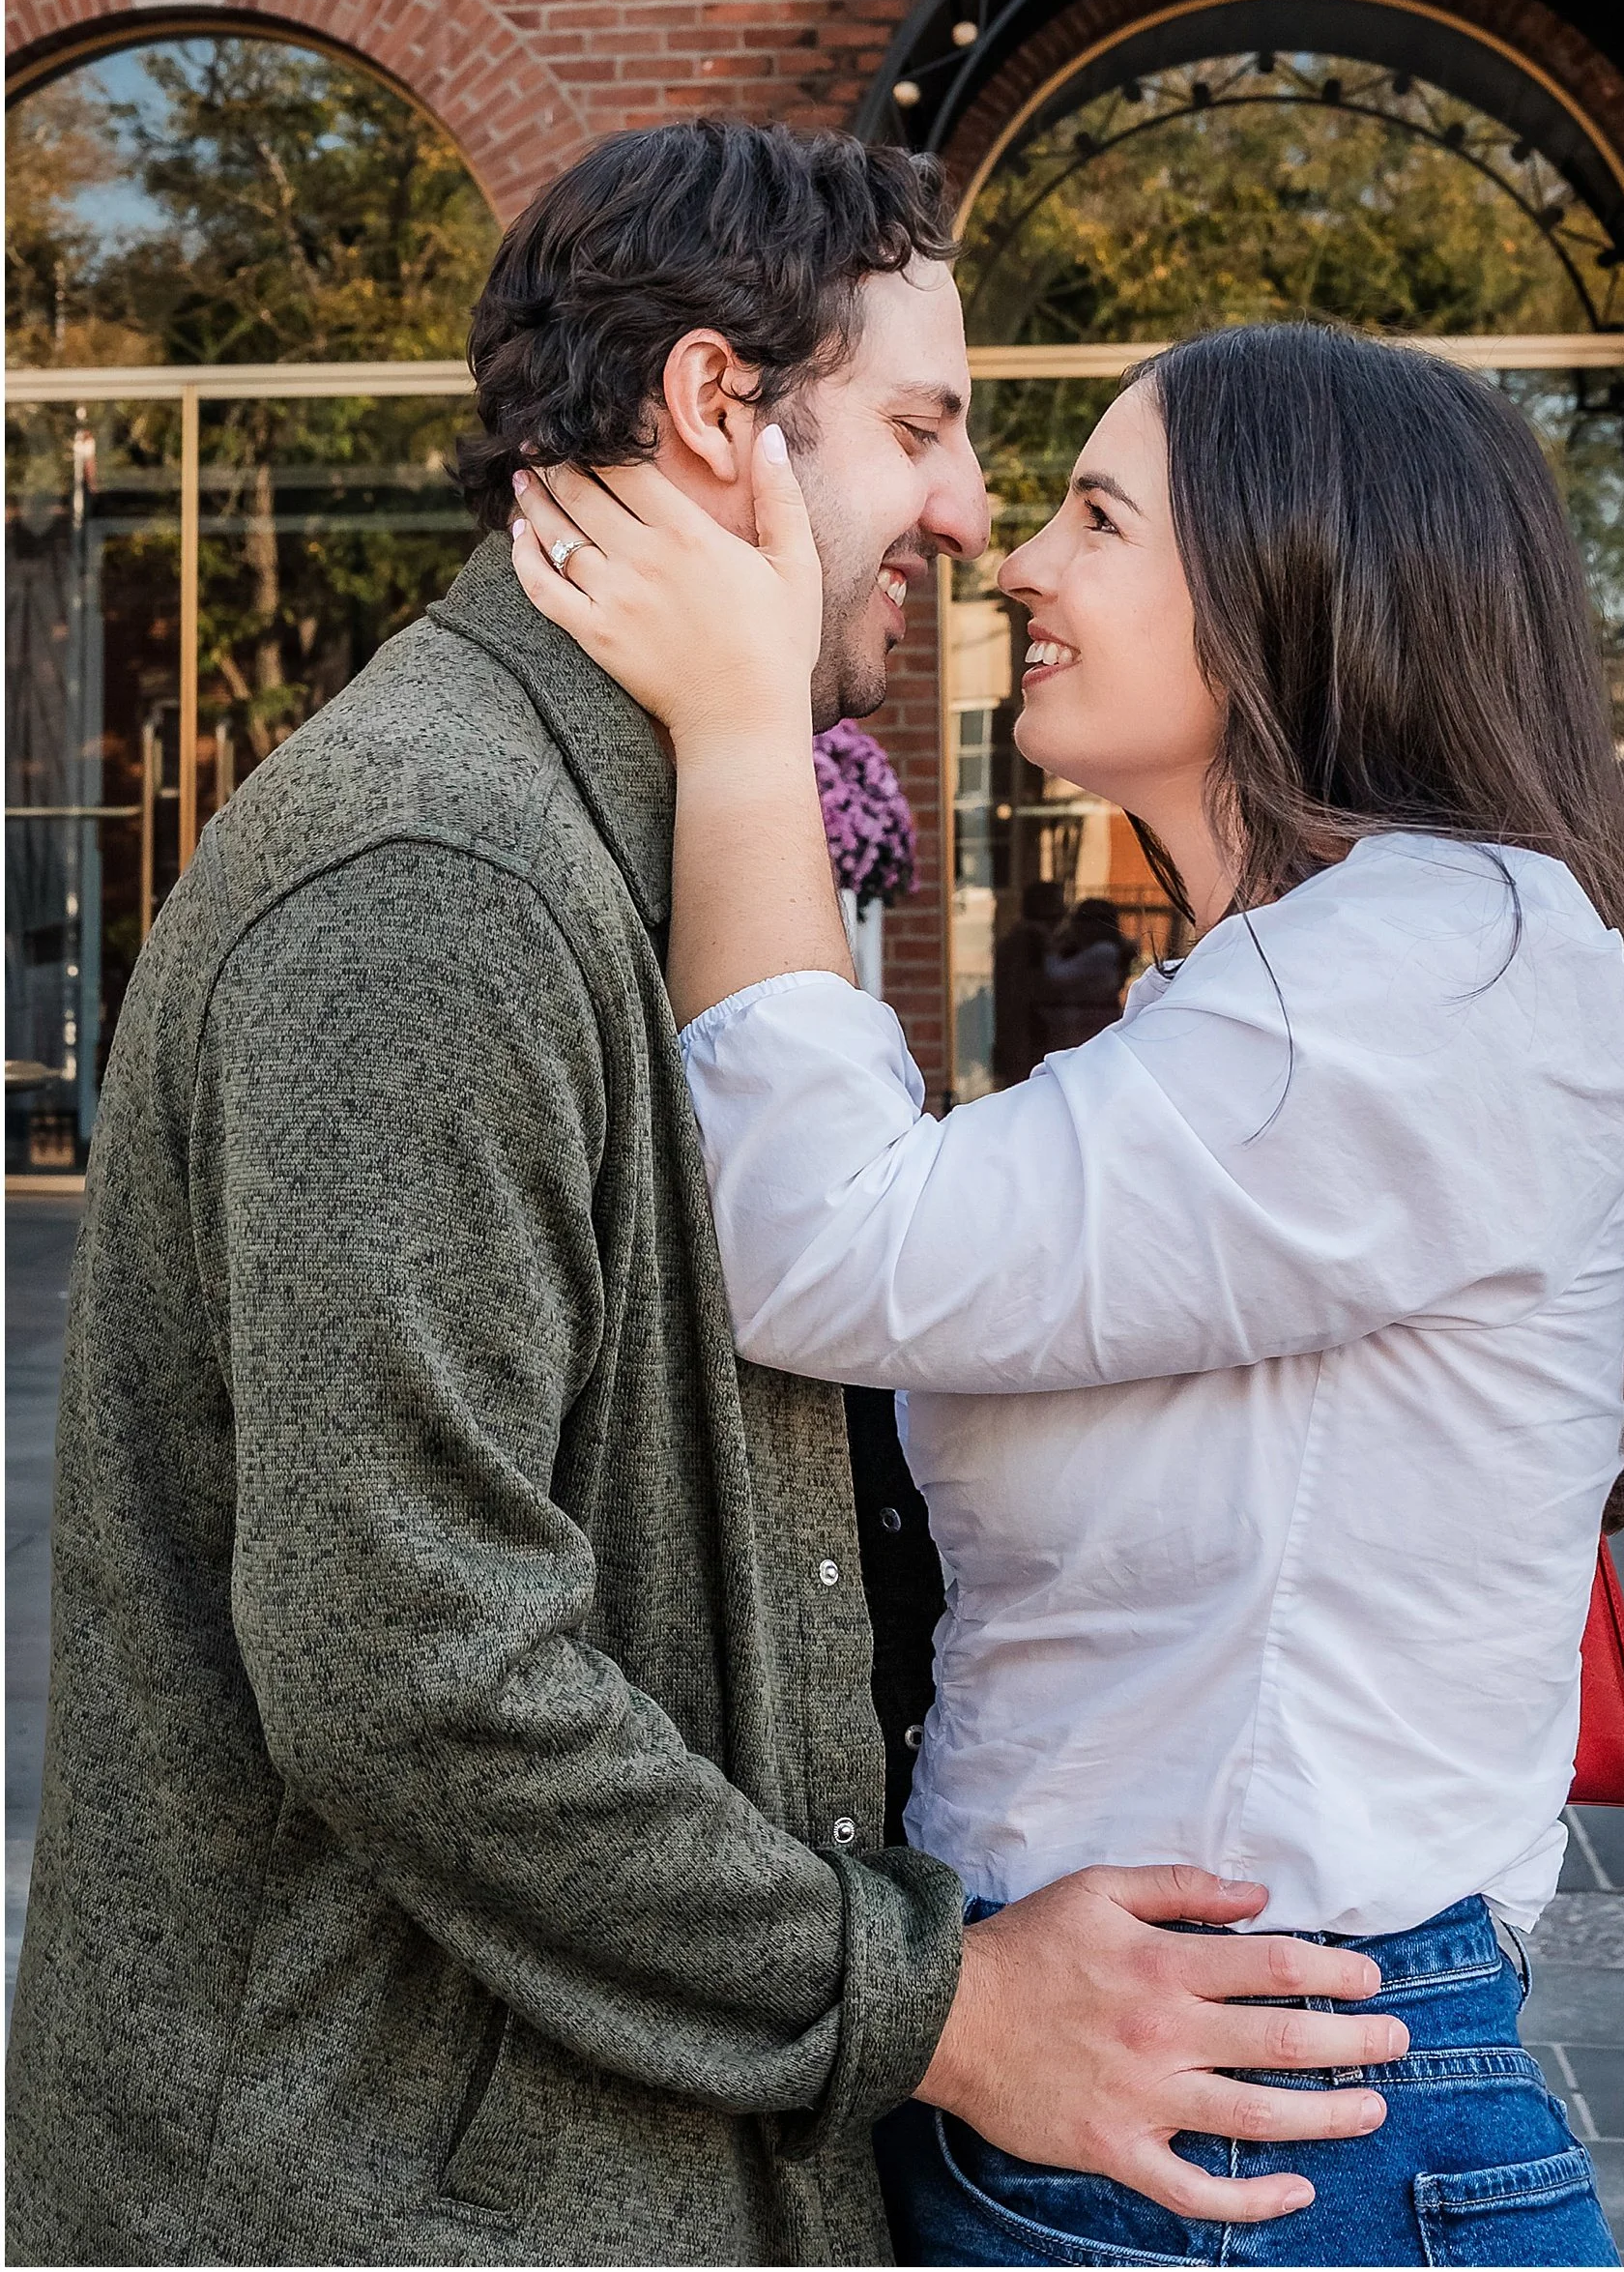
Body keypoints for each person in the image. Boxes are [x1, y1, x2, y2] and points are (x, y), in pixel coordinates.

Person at [6, 128, 1406, 2271]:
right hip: (380, 2200)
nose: (965, 512)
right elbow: (417, 1664)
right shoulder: (438, 878)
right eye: (925, 426)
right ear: (714, 411)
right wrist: (941, 2009)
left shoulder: (647, 825)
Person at [510, 316, 1624, 2267]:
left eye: (1101, 513)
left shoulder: (1427, 968)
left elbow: (827, 1240)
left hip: (1249, 2123)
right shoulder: (1301, 980)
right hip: (1171, 2082)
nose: (1016, 556)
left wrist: (750, 734)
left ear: (1295, 584)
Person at [1036, 893, 1137, 1051]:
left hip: (1091, 1022)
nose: (1075, 926)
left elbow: (1057, 975)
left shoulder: (1103, 951)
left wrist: (1050, 947)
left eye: (1080, 921)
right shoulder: (1098, 950)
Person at [992, 877, 1065, 1085]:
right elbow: (1033, 988)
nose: (1063, 911)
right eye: (1056, 903)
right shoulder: (1031, 939)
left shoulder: (1022, 937)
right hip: (1028, 1037)